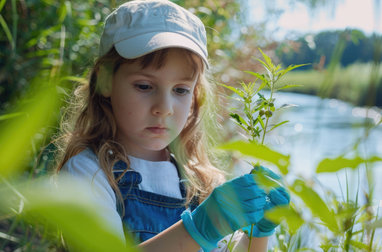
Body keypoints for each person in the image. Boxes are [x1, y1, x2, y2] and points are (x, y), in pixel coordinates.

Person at [54, 0, 290, 251]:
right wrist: (198, 229)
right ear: (105, 80)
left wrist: (258, 231)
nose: (164, 107)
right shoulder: (88, 174)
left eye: (180, 89)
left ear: (195, 96)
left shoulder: (200, 181)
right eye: (144, 86)